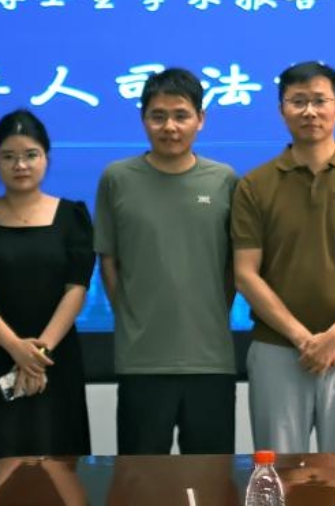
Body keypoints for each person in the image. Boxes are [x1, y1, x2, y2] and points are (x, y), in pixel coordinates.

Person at [231, 61, 335, 453]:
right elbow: (245, 273)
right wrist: (302, 338)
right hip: (277, 348)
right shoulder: (255, 185)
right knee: (277, 471)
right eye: (298, 101)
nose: (310, 111)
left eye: (320, 101)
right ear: (282, 110)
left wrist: (334, 336)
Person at [94, 68, 238, 455]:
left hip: (210, 360)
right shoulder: (117, 178)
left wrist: (211, 313)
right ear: (143, 119)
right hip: (142, 360)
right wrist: (133, 315)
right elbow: (109, 261)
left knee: (209, 476)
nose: (169, 126)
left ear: (200, 119)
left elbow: (232, 267)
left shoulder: (224, 180)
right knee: (141, 477)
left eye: (180, 115)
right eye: (158, 116)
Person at [0, 110, 93, 502]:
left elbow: (77, 289)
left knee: (58, 466)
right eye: (9, 156)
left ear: (46, 157)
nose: (20, 165)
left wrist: (38, 353)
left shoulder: (73, 216)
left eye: (31, 154)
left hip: (55, 361)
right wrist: (16, 348)